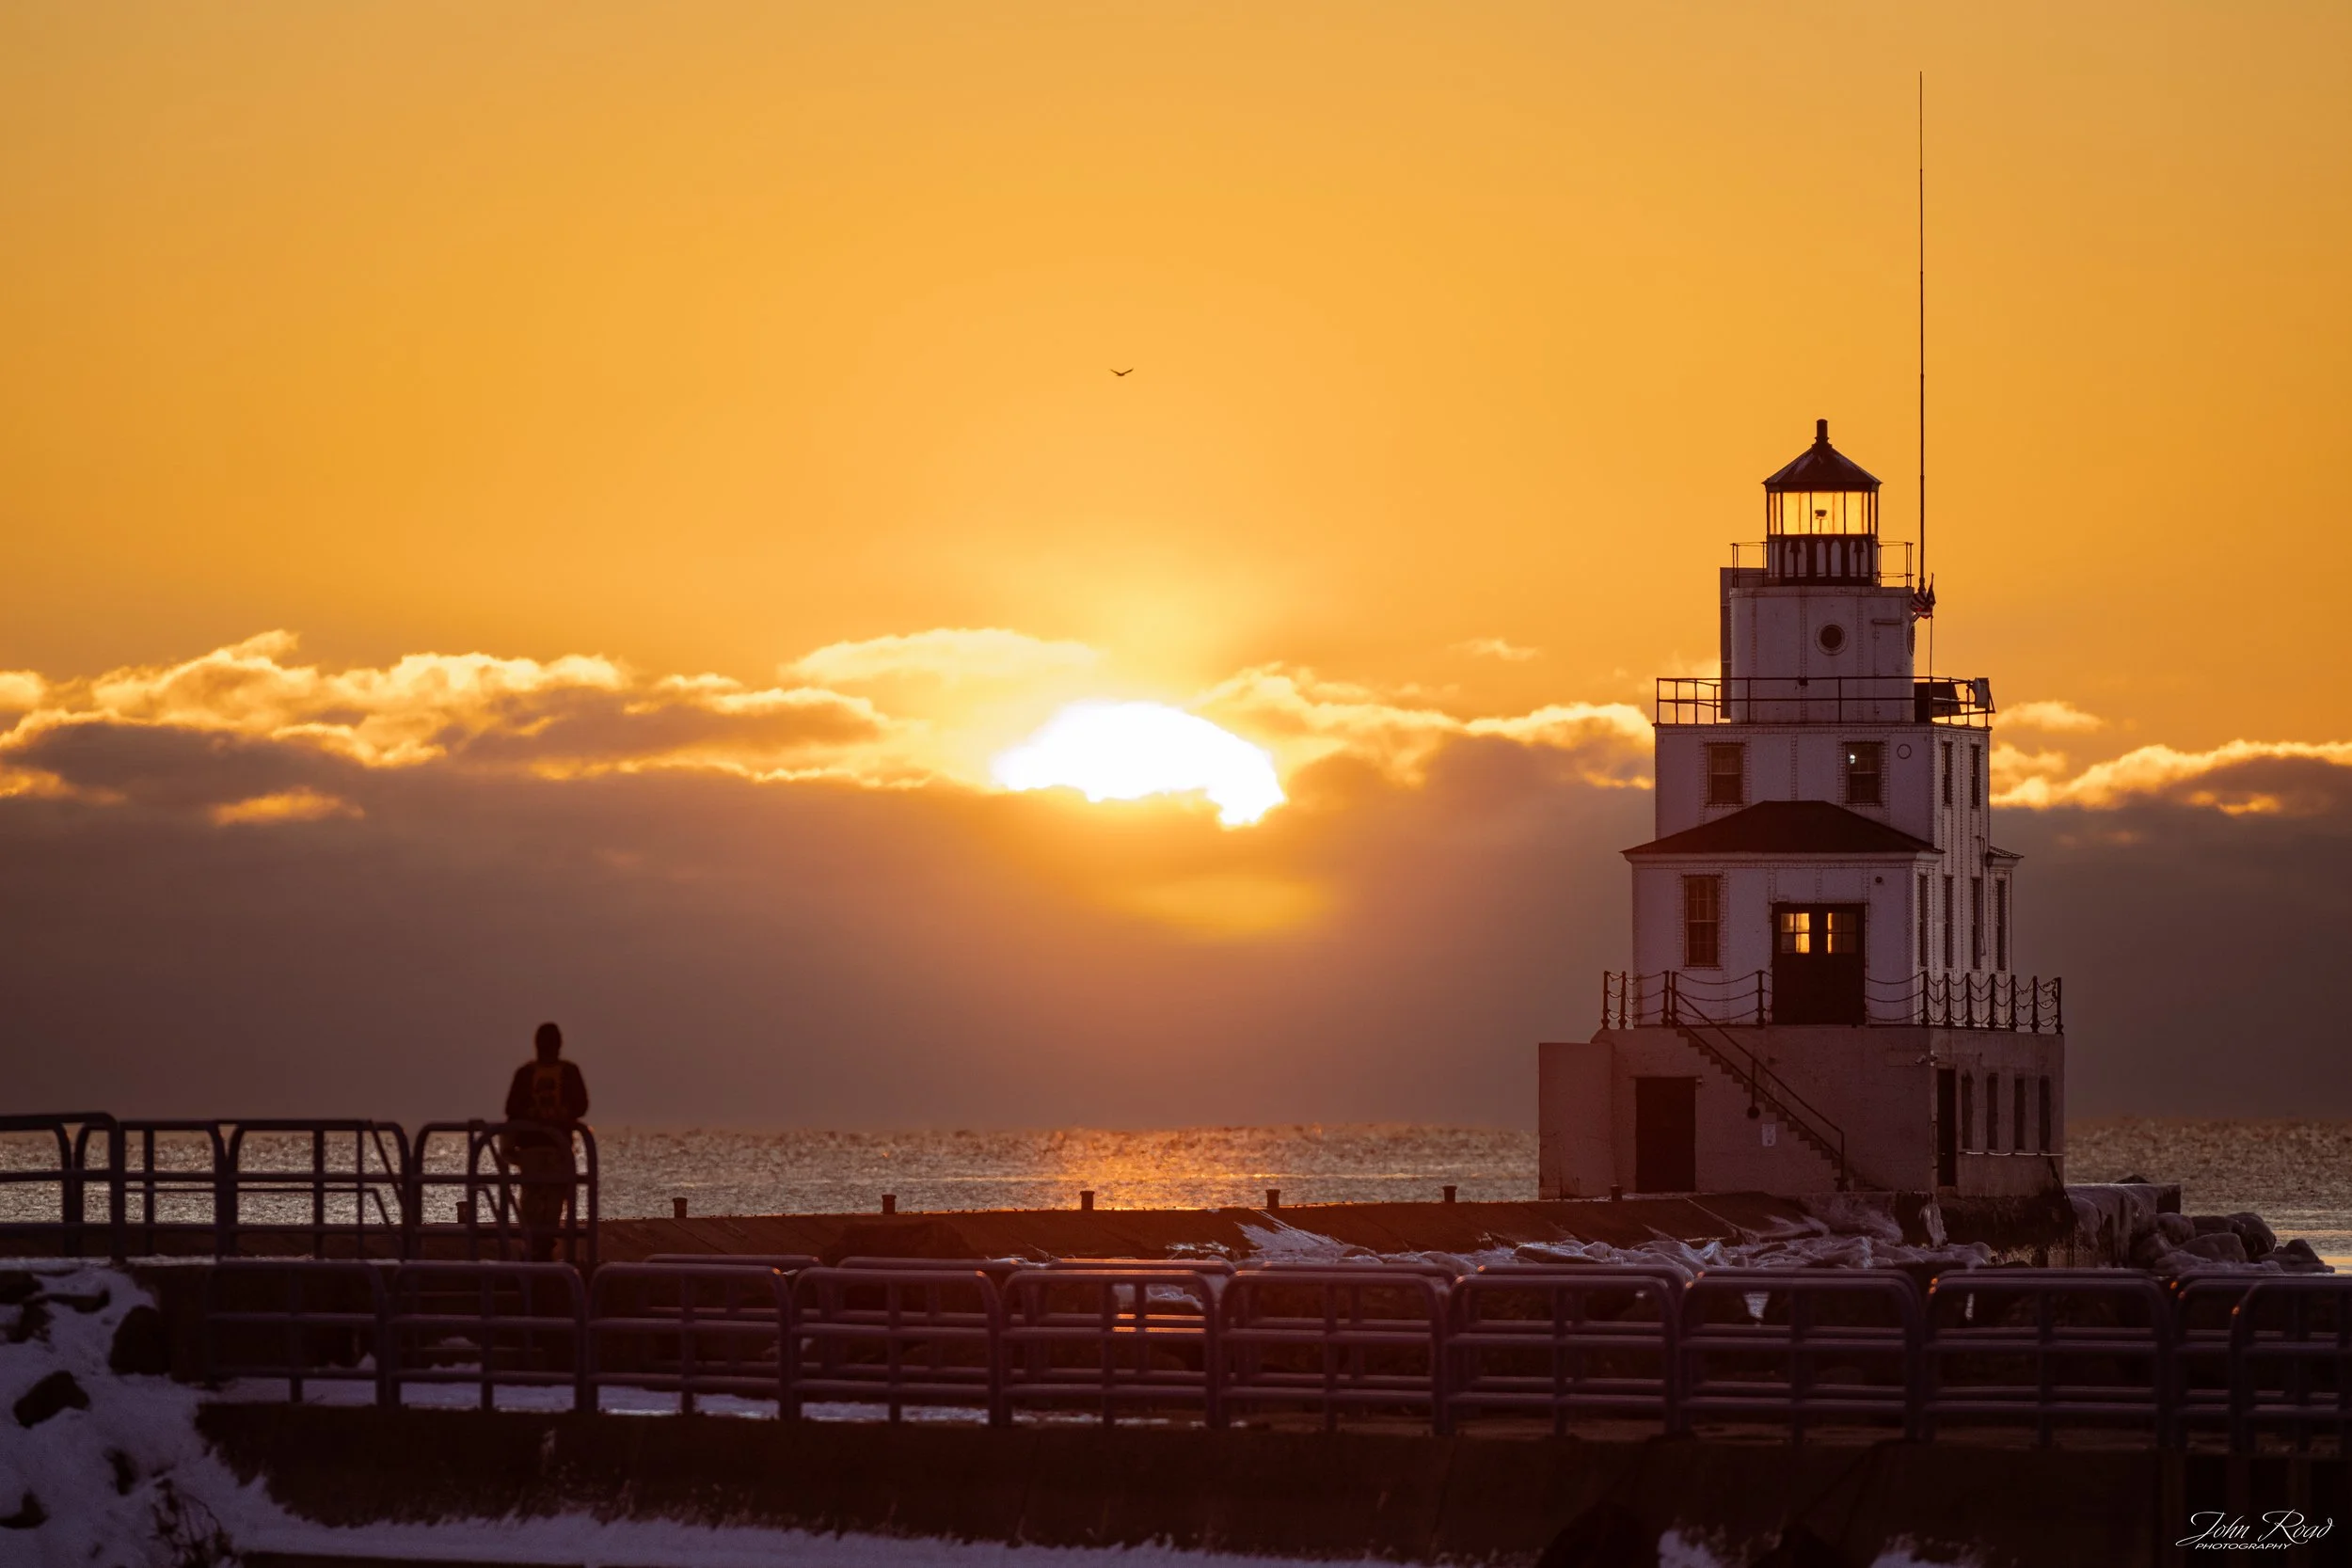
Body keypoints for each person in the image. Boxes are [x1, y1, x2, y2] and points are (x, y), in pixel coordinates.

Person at [501, 1022, 590, 1261]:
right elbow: (581, 1105)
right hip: (549, 1149)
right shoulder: (561, 1072)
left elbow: (511, 1109)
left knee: (538, 1201)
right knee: (546, 1201)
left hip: (542, 1150)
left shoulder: (528, 1074)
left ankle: (538, 1246)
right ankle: (540, 1246)